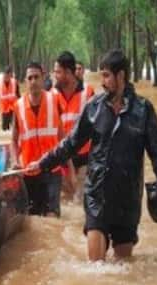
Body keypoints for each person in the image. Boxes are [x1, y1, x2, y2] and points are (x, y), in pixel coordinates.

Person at [25, 49, 157, 261]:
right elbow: (70, 143)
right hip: (97, 197)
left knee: (124, 270)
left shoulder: (143, 110)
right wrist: (43, 163)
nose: (102, 82)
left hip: (127, 201)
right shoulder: (94, 107)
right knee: (96, 270)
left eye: (106, 75)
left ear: (121, 76)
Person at [11, 62, 64, 217]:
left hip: (52, 169)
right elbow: (14, 140)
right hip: (29, 172)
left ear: (43, 78)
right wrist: (15, 161)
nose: (33, 81)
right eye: (30, 78)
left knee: (51, 218)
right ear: (25, 81)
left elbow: (62, 138)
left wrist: (70, 171)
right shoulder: (18, 106)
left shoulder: (55, 100)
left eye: (36, 77)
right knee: (33, 219)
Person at [52, 51, 94, 196]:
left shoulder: (88, 92)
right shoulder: (52, 94)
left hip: (84, 158)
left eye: (58, 72)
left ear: (68, 72)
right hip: (62, 159)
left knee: (80, 202)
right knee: (65, 203)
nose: (54, 75)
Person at [0, 66, 20, 132]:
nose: (7, 77)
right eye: (6, 75)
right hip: (4, 110)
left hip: (14, 108)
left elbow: (19, 96)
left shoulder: (15, 83)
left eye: (9, 75)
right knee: (5, 128)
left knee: (15, 127)